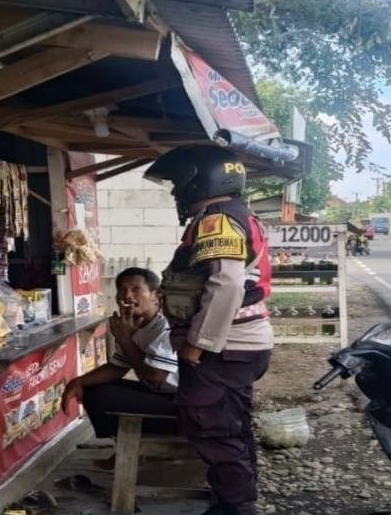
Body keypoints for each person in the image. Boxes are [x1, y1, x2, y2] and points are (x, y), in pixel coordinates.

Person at [144, 145, 274, 515]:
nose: (175, 191)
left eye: (178, 182)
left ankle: (236, 508)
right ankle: (235, 500)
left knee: (213, 428)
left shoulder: (215, 221)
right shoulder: (237, 215)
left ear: (200, 180)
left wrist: (197, 345)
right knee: (231, 427)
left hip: (224, 347)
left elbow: (227, 285)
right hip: (239, 345)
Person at [62, 267, 178, 438]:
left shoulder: (166, 326)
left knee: (101, 396)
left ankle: (138, 443)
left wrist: (125, 339)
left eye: (136, 289)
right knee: (92, 388)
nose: (127, 295)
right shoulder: (134, 325)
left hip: (180, 402)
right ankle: (122, 445)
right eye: (122, 290)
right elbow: (118, 367)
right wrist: (78, 381)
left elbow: (156, 376)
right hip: (158, 393)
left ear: (156, 295)